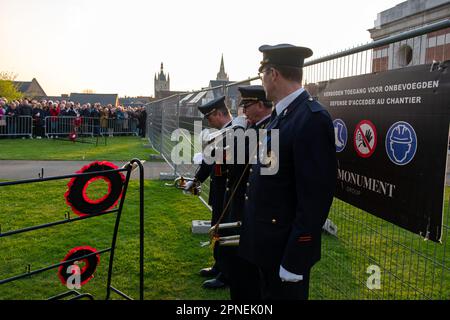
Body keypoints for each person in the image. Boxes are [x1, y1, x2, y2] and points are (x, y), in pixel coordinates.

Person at [238, 44, 337, 300]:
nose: (262, 81)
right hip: (267, 243)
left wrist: (297, 257)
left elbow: (315, 198)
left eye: (262, 74)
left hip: (285, 248)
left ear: (273, 74)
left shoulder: (312, 119)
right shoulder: (281, 117)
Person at [186, 96, 233, 289]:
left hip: (229, 193)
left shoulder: (236, 133)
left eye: (209, 117)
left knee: (226, 233)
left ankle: (226, 275)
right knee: (217, 229)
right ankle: (219, 265)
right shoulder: (221, 133)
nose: (208, 121)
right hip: (219, 190)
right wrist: (195, 181)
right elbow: (208, 161)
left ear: (219, 113)